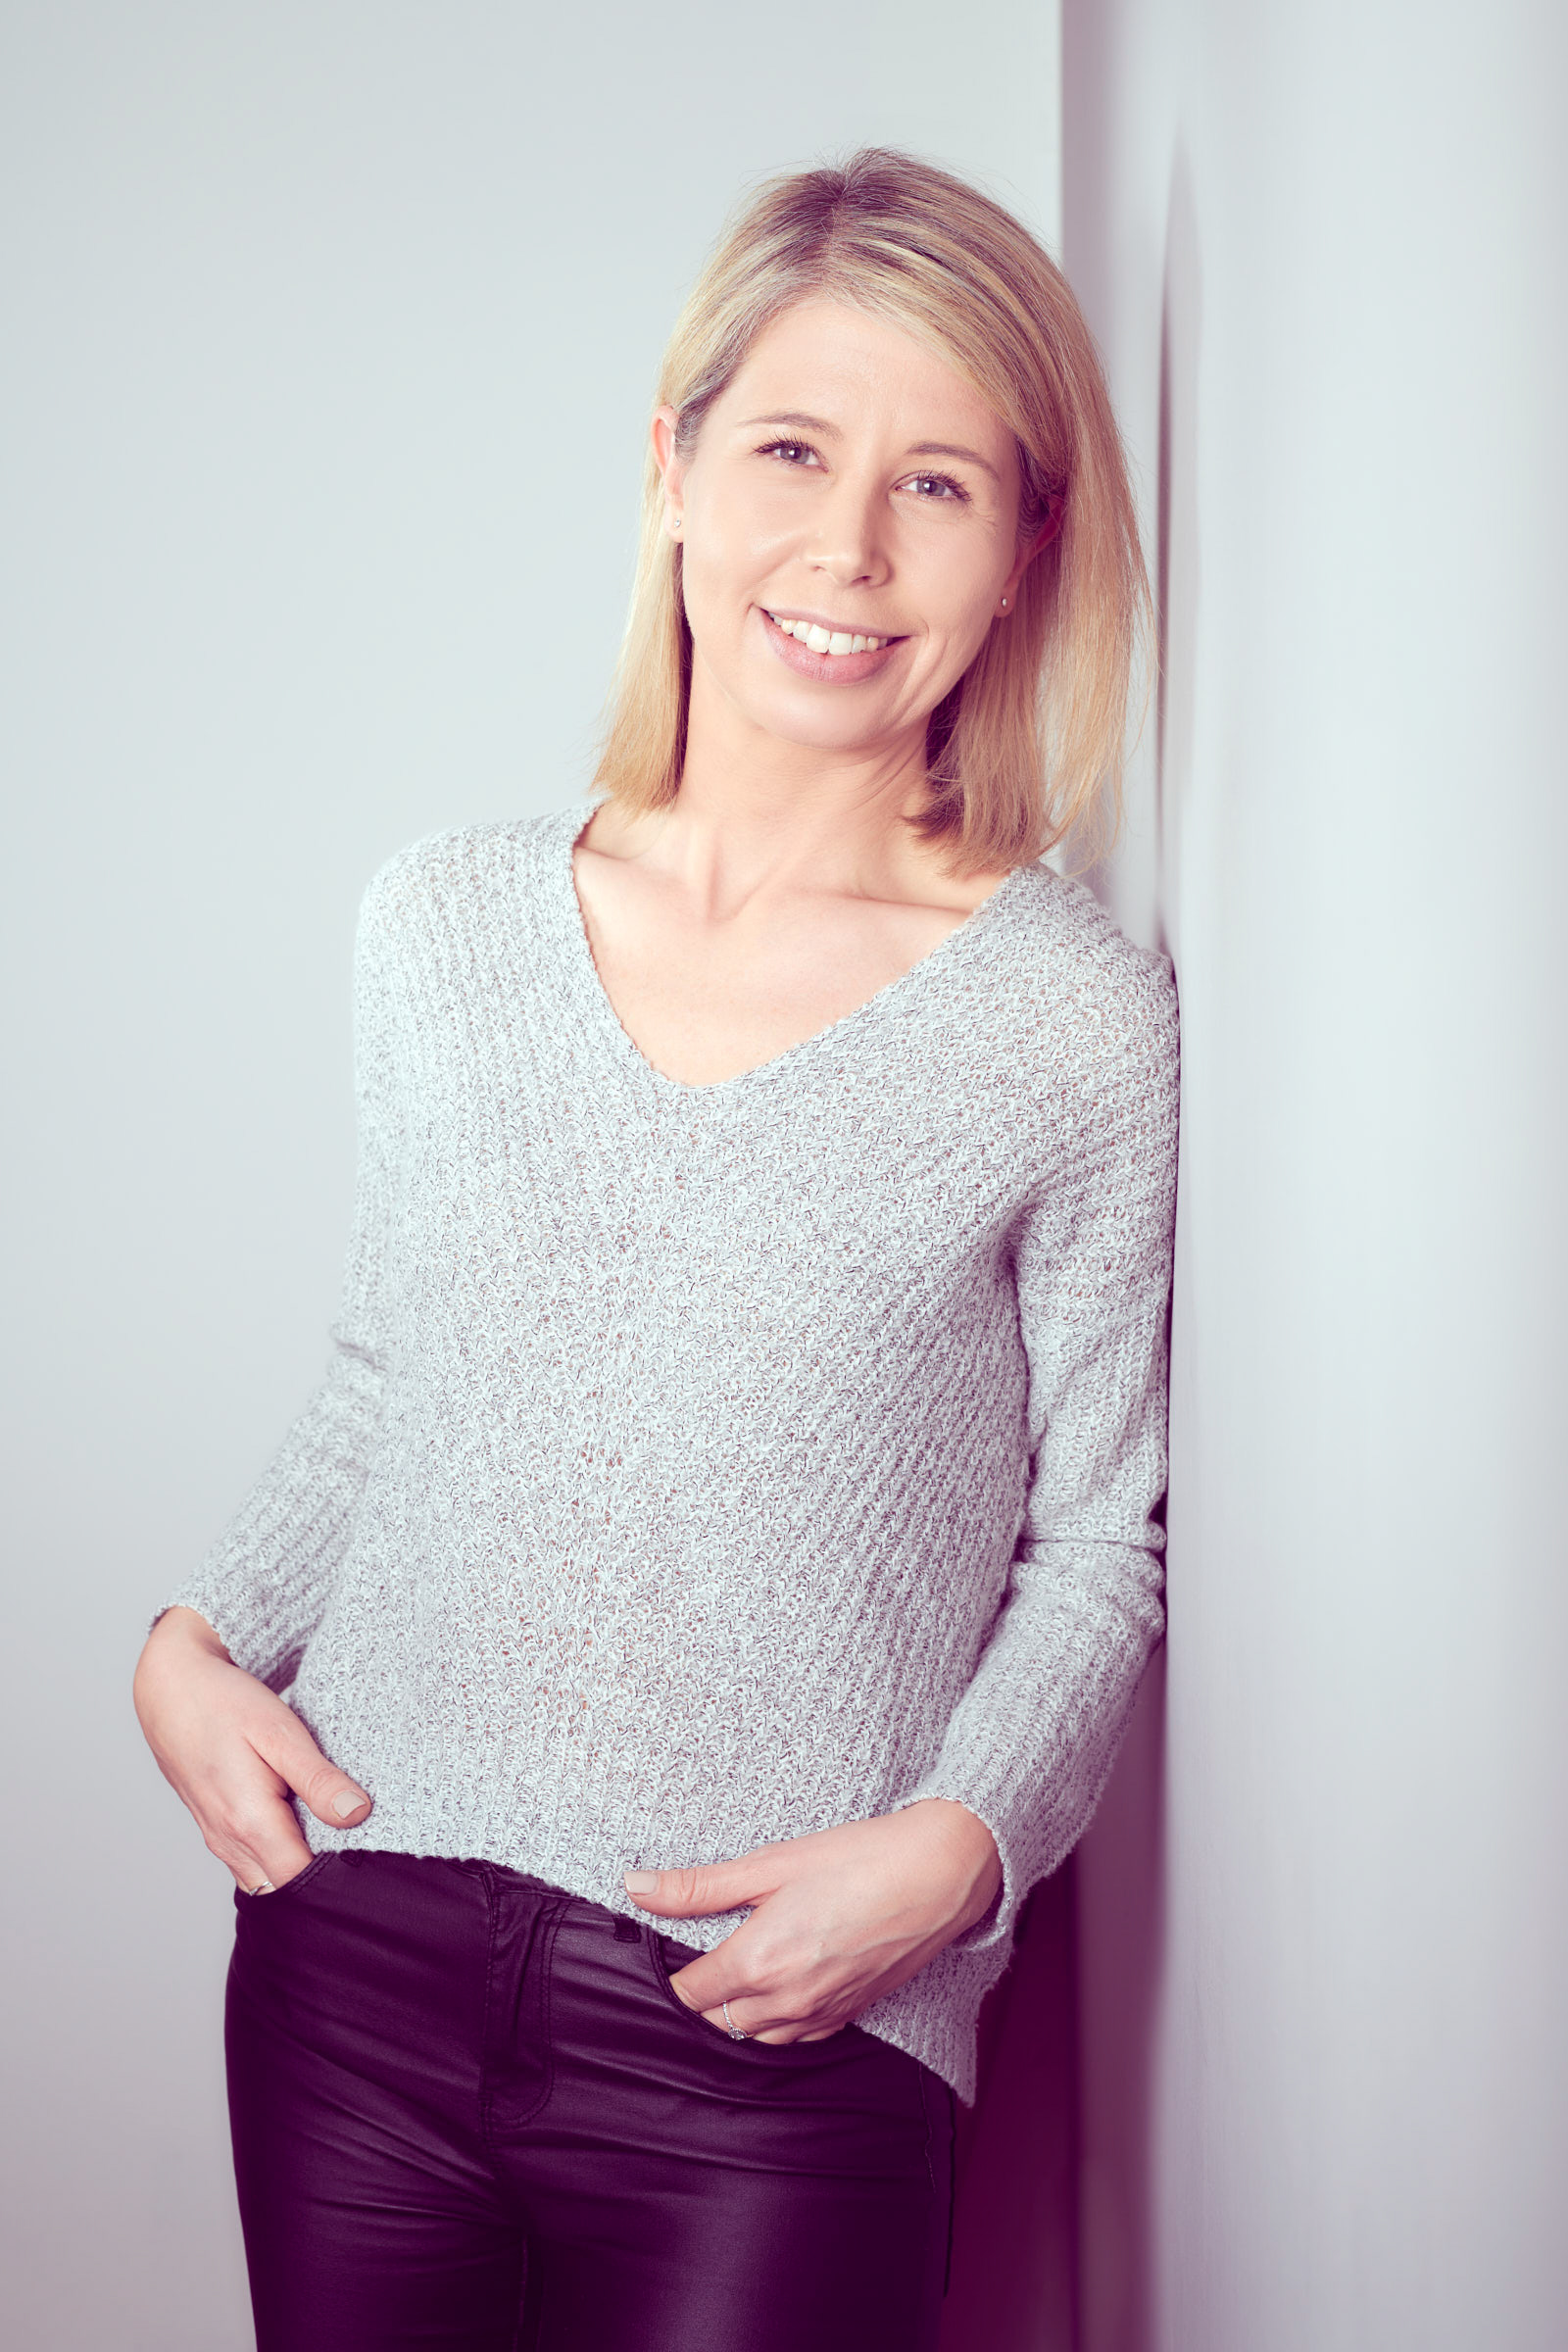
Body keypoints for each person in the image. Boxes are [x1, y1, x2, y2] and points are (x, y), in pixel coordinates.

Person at [133, 147, 1179, 2352]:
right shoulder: (442, 923)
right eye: (791, 450)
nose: (848, 549)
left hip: (780, 2037)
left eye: (936, 486)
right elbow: (390, 1367)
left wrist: (961, 1851)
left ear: (1024, 553)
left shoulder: (1072, 1020)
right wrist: (194, 1637)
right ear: (672, 472)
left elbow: (1098, 1541)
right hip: (352, 1965)